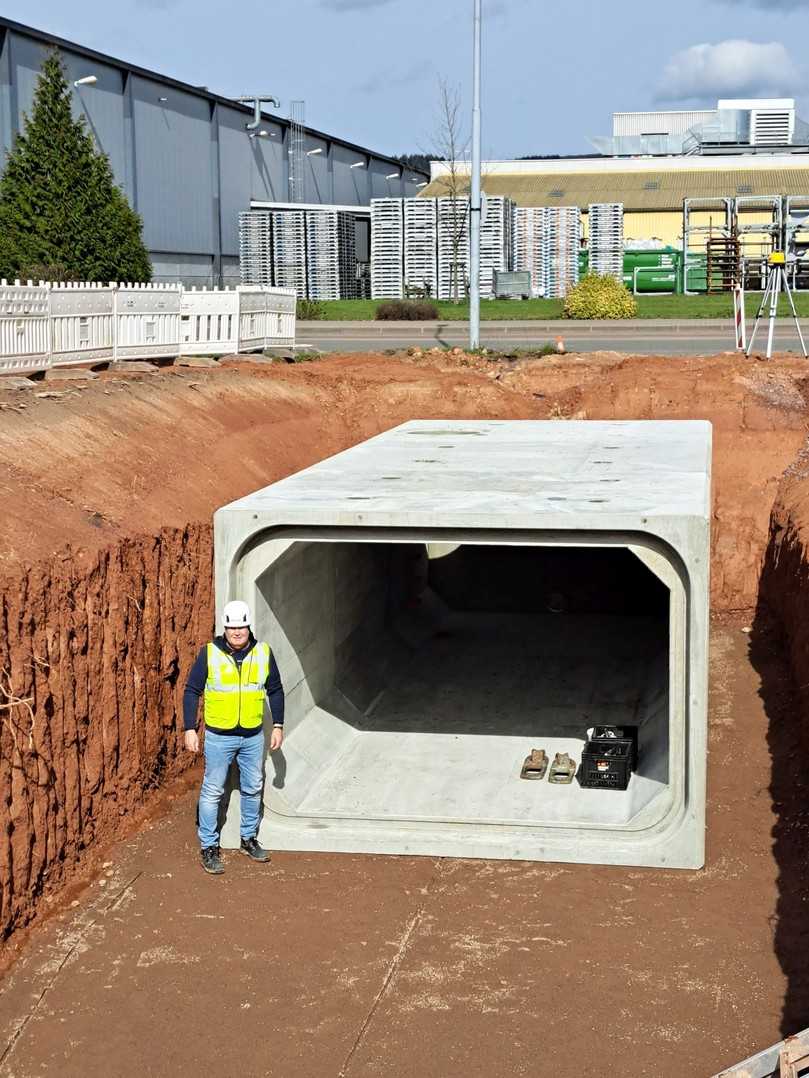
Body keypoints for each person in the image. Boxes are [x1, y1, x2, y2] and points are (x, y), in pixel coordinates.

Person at [183, 599, 285, 875]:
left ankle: (248, 838)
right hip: (219, 737)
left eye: (241, 627)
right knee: (212, 790)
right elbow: (192, 690)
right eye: (232, 627)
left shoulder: (263, 653)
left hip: (252, 736)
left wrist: (278, 724)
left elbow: (275, 689)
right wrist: (189, 728)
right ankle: (208, 847)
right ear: (224, 628)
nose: (237, 632)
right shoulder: (209, 654)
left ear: (248, 626)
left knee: (253, 786)